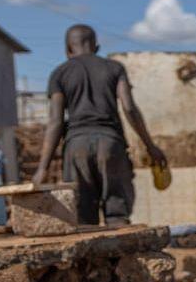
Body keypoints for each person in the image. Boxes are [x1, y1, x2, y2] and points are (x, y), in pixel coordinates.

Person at [34, 24, 166, 226]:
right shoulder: (115, 68)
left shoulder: (60, 73)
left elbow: (56, 121)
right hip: (110, 144)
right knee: (117, 213)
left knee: (84, 217)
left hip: (76, 148)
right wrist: (150, 145)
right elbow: (129, 107)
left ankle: (91, 257)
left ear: (68, 49)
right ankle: (120, 257)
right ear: (96, 46)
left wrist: (42, 168)